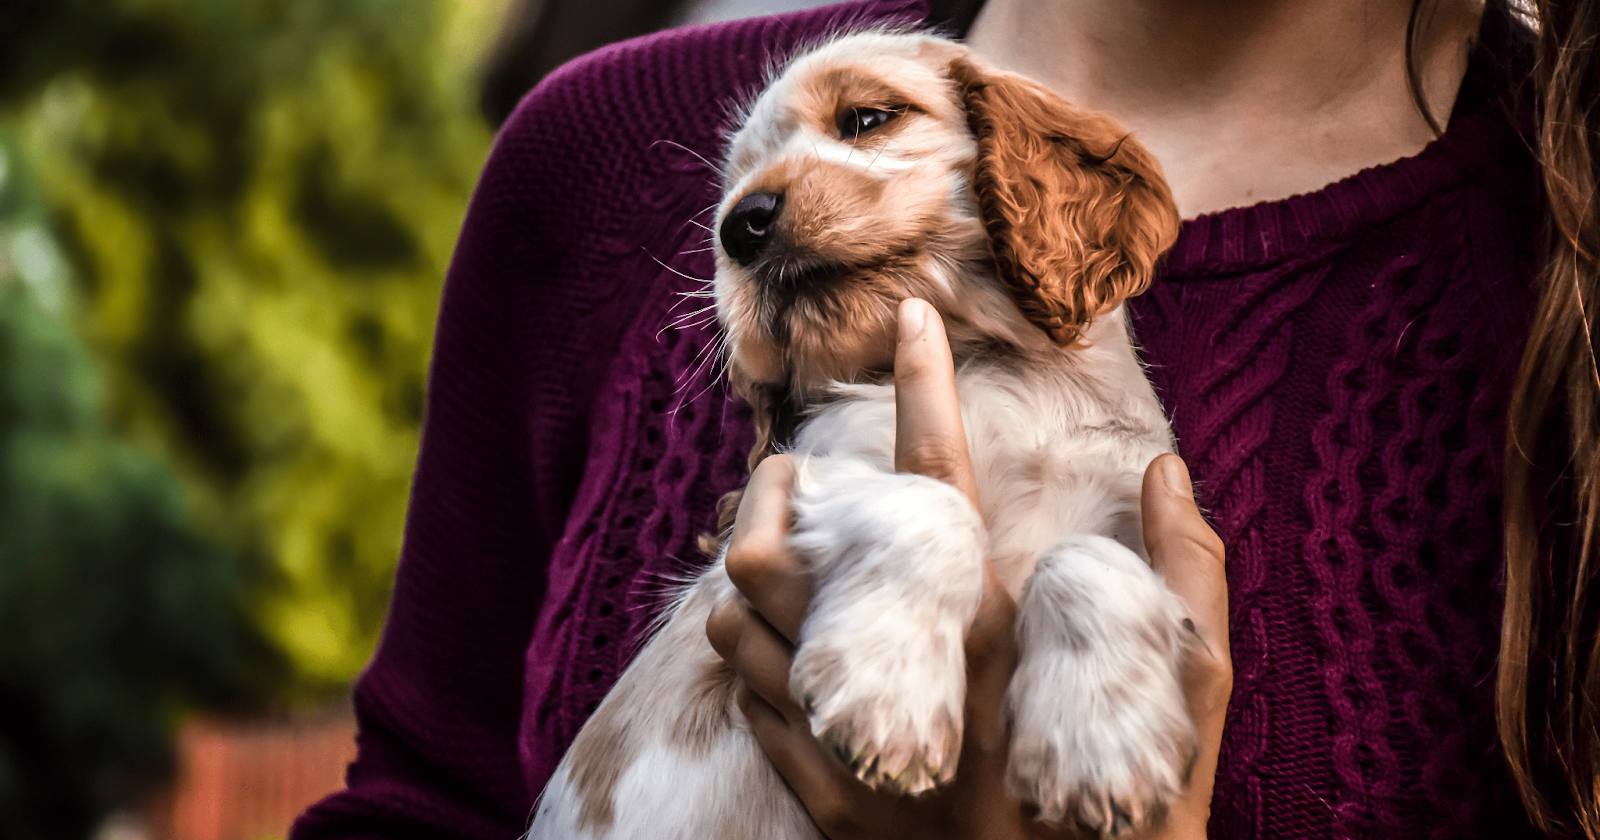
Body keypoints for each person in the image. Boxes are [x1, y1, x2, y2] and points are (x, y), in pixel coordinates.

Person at [291, 0, 1600, 838]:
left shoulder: (1562, 261)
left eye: (870, 125)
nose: (755, 209)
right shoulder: (602, 158)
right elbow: (425, 802)